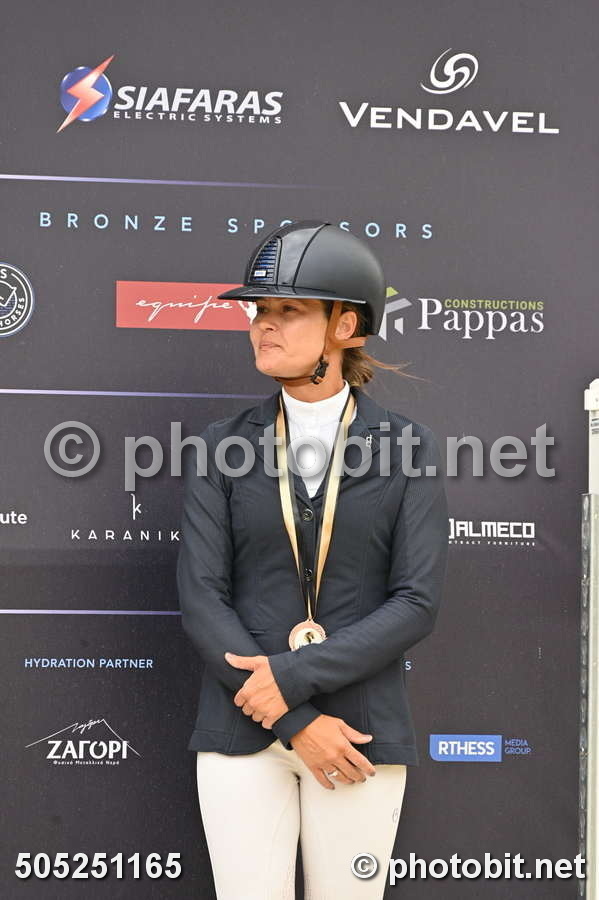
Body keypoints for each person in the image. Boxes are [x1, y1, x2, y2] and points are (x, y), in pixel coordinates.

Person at [176, 220, 449, 899]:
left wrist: (293, 678)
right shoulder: (217, 447)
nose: (263, 325)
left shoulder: (408, 448)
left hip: (358, 736)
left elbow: (416, 601)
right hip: (242, 729)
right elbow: (203, 599)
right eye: (259, 311)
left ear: (345, 326)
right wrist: (294, 718)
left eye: (288, 310)